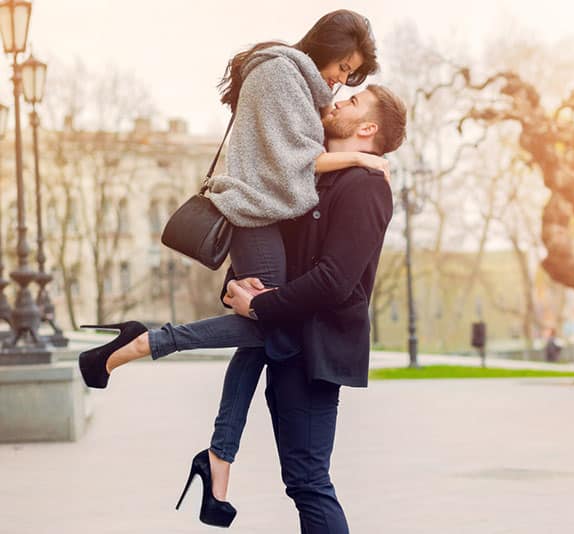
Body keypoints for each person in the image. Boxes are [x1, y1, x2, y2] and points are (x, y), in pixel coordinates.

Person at [79, 83, 408, 533]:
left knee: (309, 483)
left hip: (316, 354)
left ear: (368, 128)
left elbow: (336, 281)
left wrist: (262, 305)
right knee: (302, 482)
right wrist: (237, 287)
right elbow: (273, 260)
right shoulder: (312, 179)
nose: (337, 101)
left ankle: (148, 346)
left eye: (352, 101)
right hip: (286, 342)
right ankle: (214, 457)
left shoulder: (366, 186)